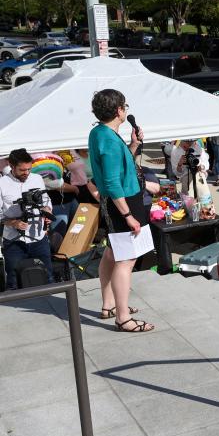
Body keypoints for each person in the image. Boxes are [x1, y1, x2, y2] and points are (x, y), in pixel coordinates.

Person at [86, 89, 154, 332]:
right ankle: (123, 317)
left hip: (115, 201)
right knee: (127, 259)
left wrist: (133, 145)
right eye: (124, 106)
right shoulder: (109, 140)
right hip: (123, 203)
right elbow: (114, 182)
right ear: (118, 111)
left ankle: (109, 305)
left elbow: (114, 170)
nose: (126, 109)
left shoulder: (99, 133)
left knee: (112, 253)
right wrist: (128, 215)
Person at [1, 148, 54, 290]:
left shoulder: (37, 178)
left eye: (29, 169)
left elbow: (45, 200)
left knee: (48, 277)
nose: (26, 173)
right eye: (22, 170)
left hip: (38, 237)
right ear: (11, 166)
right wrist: (13, 222)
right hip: (14, 241)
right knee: (13, 281)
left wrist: (47, 210)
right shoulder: (2, 184)